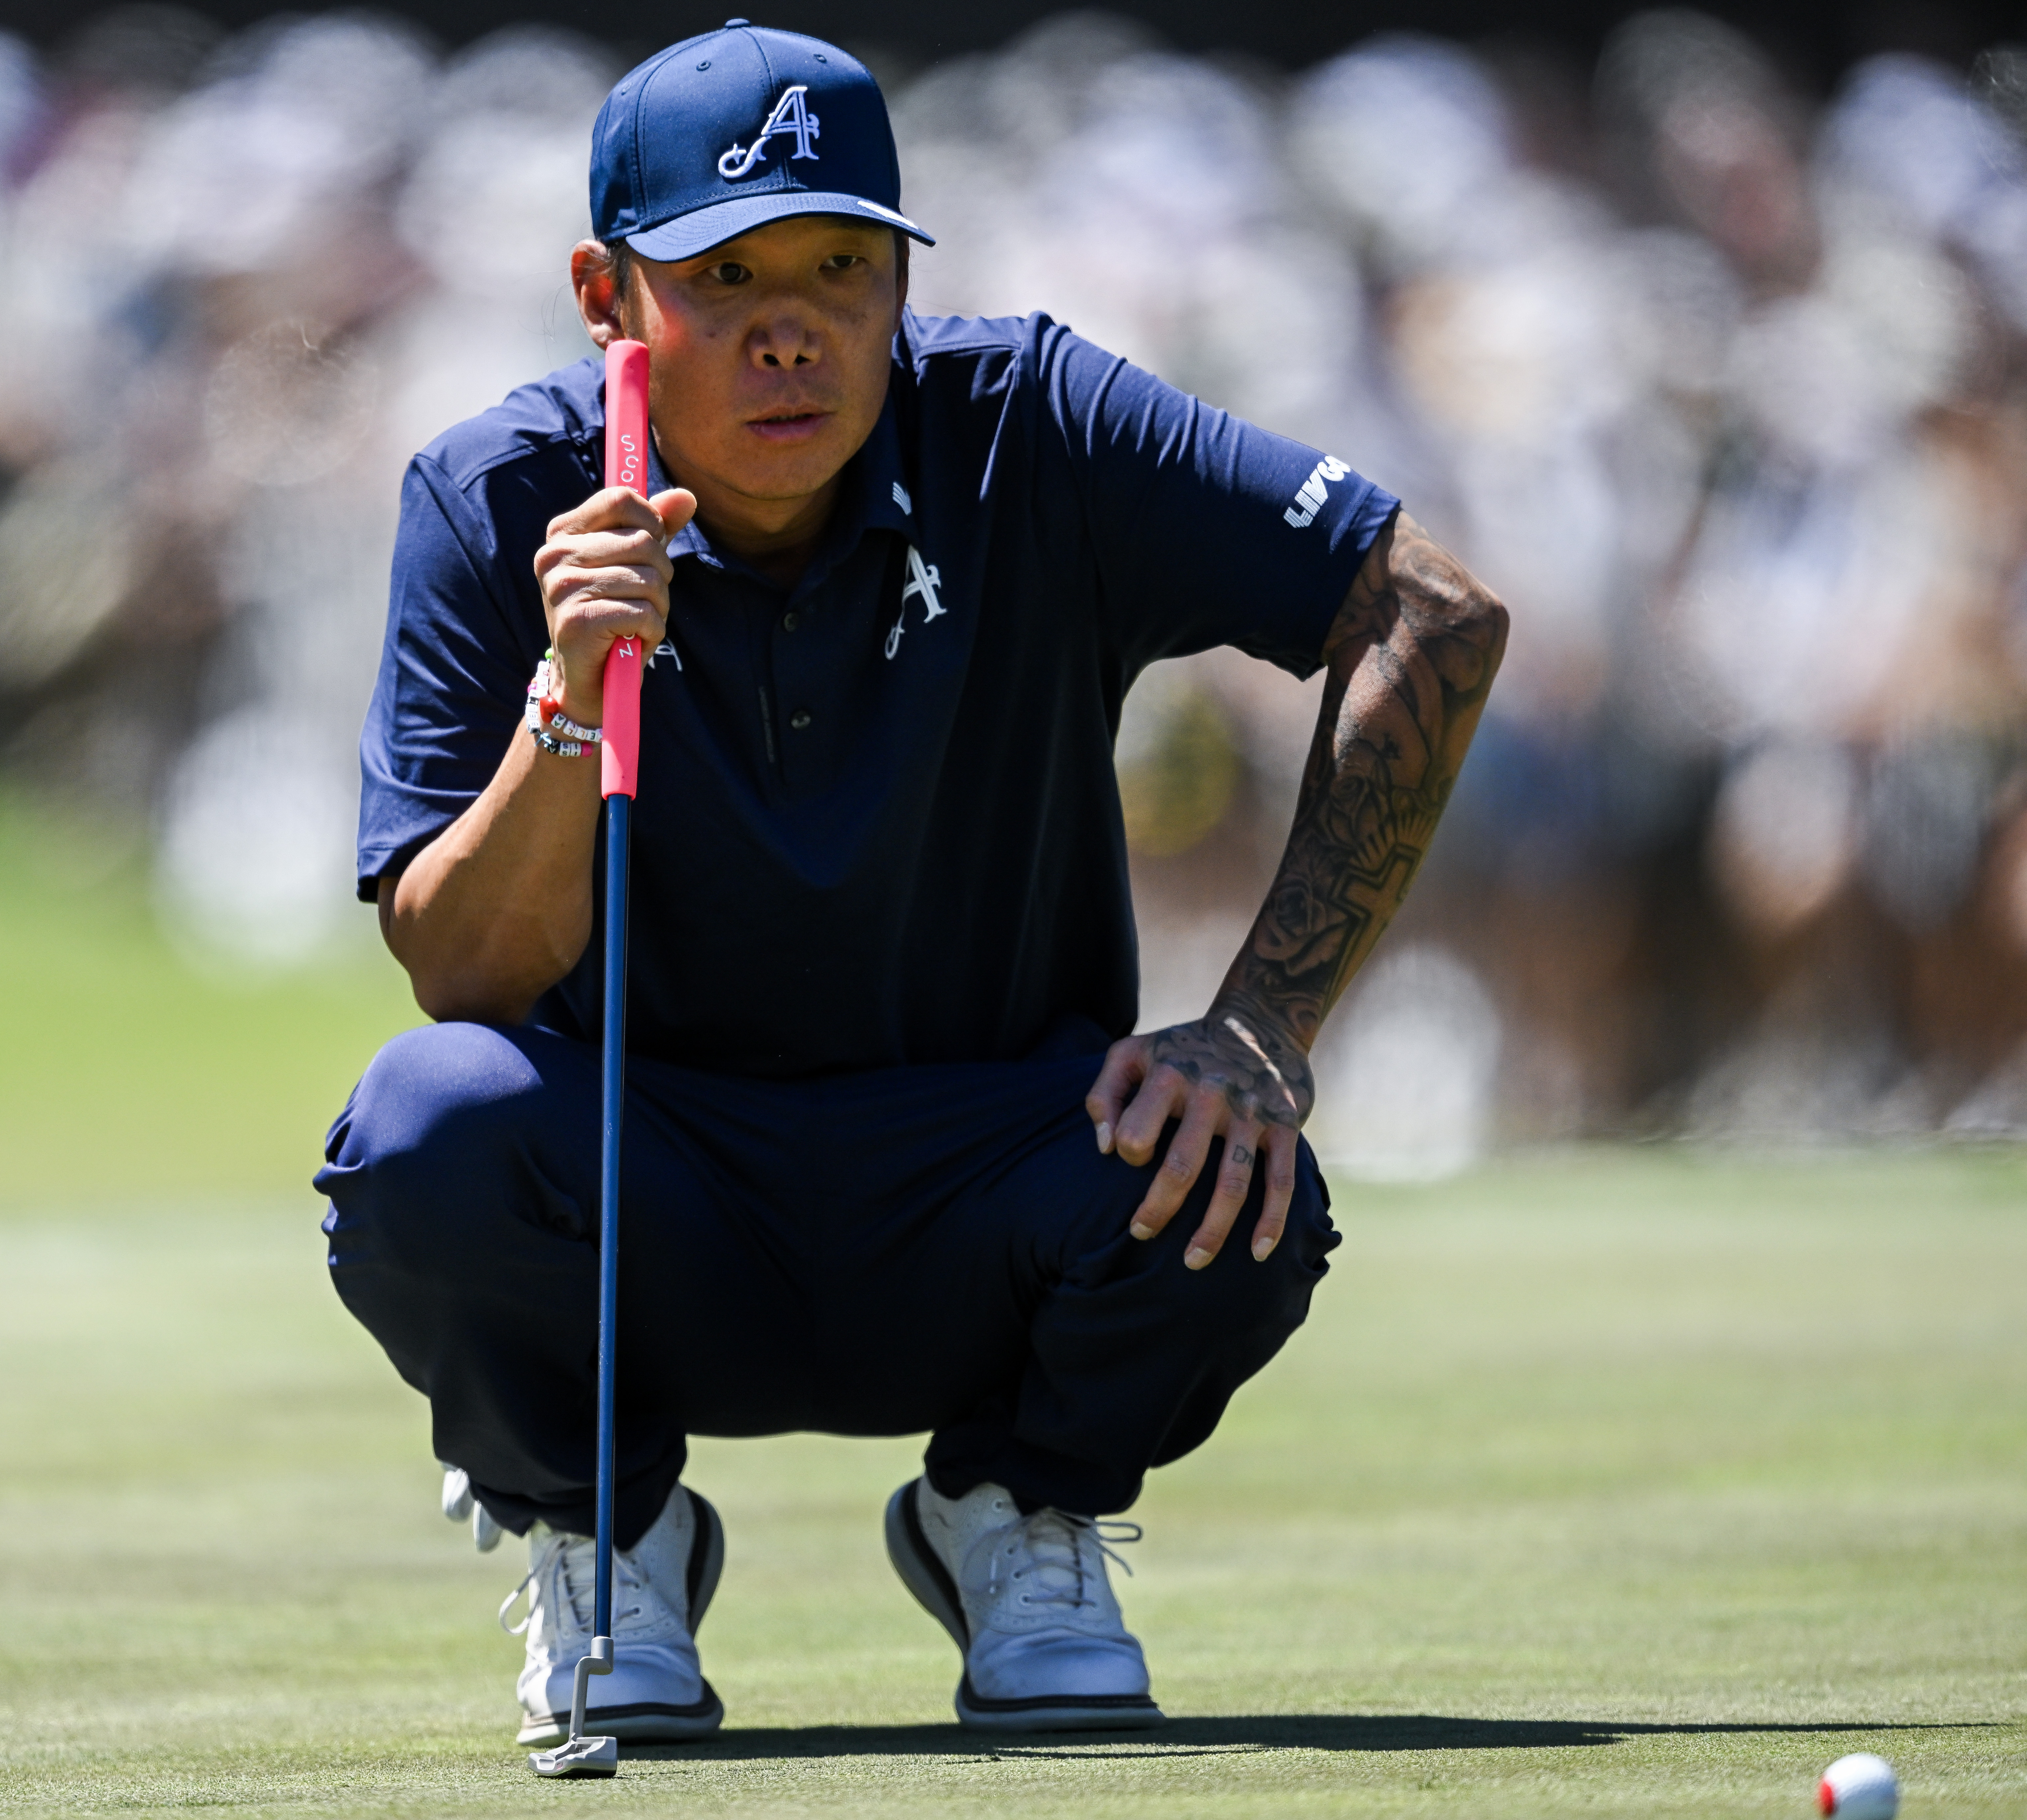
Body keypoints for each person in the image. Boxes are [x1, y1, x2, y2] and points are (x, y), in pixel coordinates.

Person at [315, 21, 1508, 1747]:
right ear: (605, 296)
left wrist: (1261, 1027)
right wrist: (568, 701)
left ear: (898, 281)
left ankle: (1016, 1509)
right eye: (723, 278)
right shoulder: (497, 498)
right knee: (425, 1130)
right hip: (656, 1196)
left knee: (1241, 1169)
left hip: (991, 1177)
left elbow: (1432, 614)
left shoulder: (1036, 425)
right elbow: (465, 979)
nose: (792, 329)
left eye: (842, 268)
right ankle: (607, 1531)